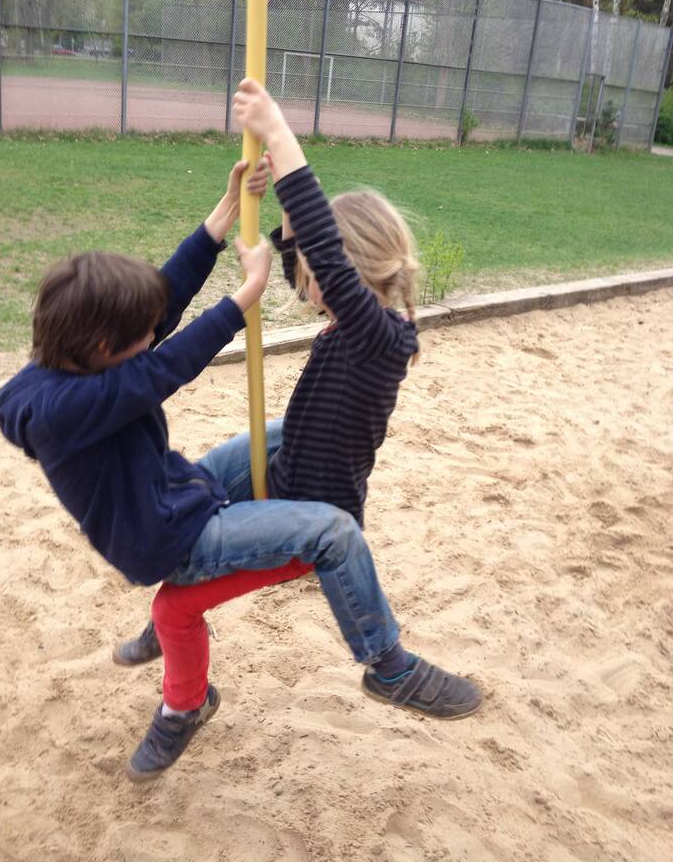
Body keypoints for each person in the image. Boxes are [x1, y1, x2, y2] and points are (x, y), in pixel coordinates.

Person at [116, 79, 482, 783]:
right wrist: (258, 197)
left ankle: (386, 665)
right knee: (223, 459)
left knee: (177, 605)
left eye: (312, 272)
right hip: (293, 462)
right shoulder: (361, 321)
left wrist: (279, 134)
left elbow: (322, 245)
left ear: (347, 270)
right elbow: (303, 245)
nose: (300, 283)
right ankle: (172, 589)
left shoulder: (377, 338)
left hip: (312, 514)